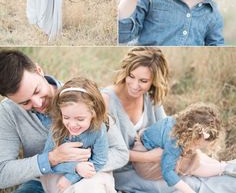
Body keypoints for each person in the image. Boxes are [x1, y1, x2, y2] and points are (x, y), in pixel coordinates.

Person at [102, 47, 236, 193]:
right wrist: (146, 157)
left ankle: (227, 171)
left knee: (201, 167)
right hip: (126, 170)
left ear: (154, 81)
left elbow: (172, 133)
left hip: (158, 161)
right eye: (131, 76)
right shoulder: (106, 101)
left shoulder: (150, 96)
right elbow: (103, 151)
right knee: (187, 183)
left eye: (143, 80)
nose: (135, 85)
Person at [0, 49, 128, 193]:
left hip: (89, 179)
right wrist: (51, 158)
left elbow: (120, 152)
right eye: (25, 102)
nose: (37, 103)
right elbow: (2, 173)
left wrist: (79, 170)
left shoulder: (82, 97)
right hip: (42, 182)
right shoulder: (7, 112)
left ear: (39, 70)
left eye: (36, 91)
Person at [133, 103, 235, 192]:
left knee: (194, 154)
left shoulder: (181, 126)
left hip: (148, 145)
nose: (196, 147)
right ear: (191, 133)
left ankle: (223, 167)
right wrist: (188, 191)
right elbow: (167, 172)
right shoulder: (174, 140)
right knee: (188, 163)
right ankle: (222, 168)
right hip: (145, 165)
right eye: (197, 144)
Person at [41, 77, 109, 193]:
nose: (72, 125)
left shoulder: (98, 129)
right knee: (62, 187)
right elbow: (48, 161)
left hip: (91, 169)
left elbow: (100, 160)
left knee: (93, 186)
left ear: (93, 113)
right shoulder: (57, 129)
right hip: (58, 171)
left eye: (80, 119)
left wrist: (72, 177)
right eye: (66, 117)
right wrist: (75, 168)